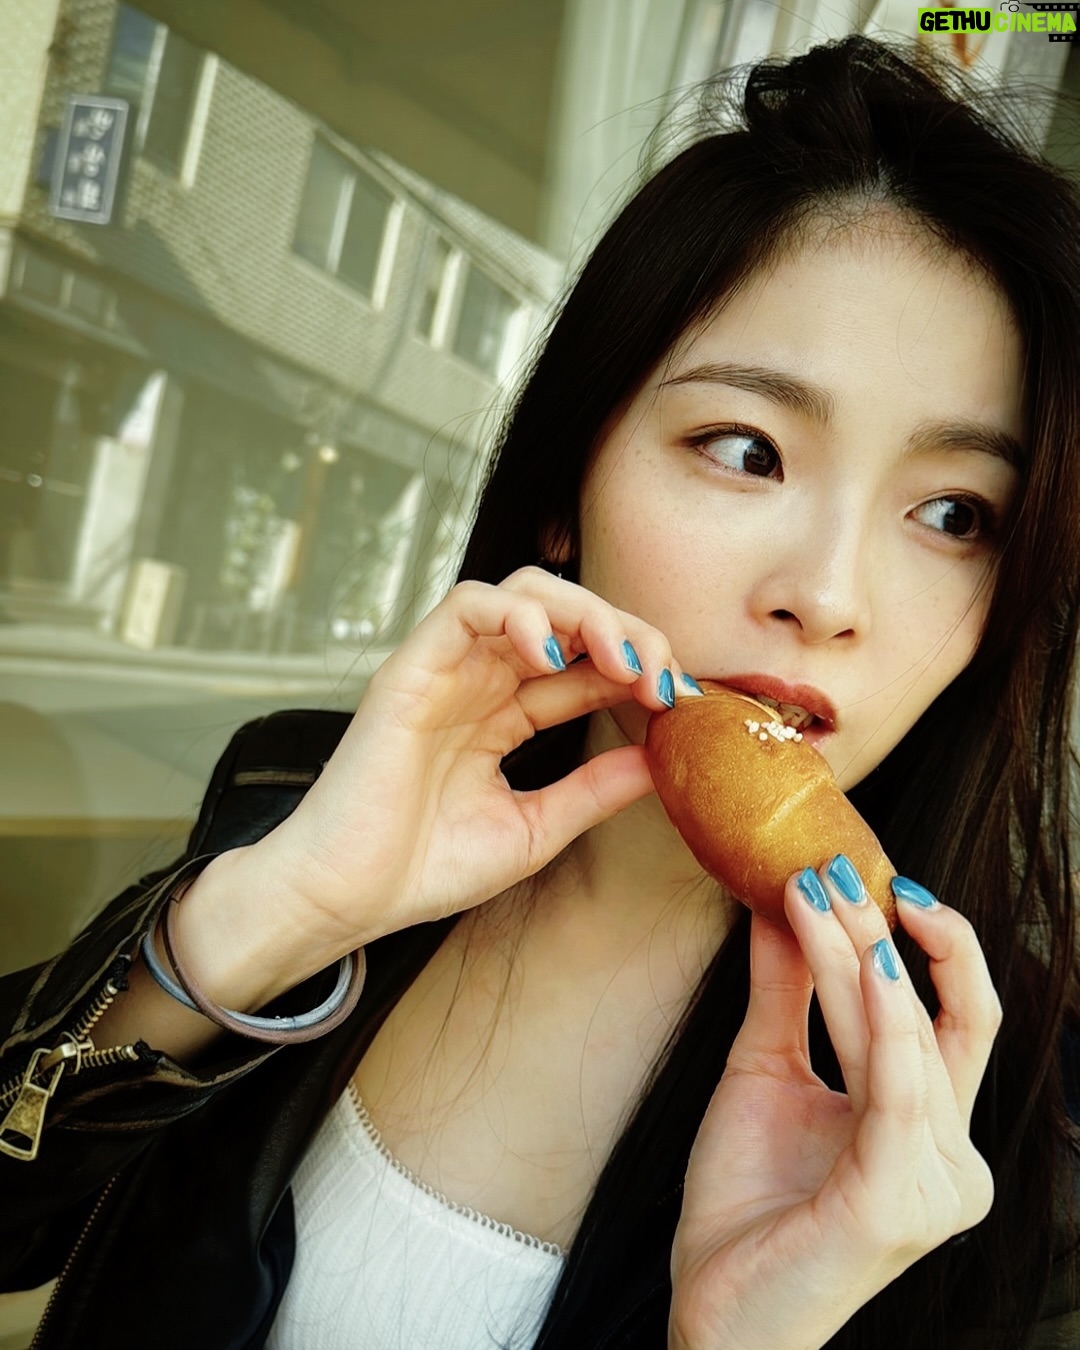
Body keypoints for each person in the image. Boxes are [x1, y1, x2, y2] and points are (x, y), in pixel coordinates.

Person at [1, 34, 1078, 1350]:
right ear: (569, 492)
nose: (829, 592)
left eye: (956, 512)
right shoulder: (307, 799)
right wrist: (263, 924)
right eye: (747, 450)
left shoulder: (1007, 1129)